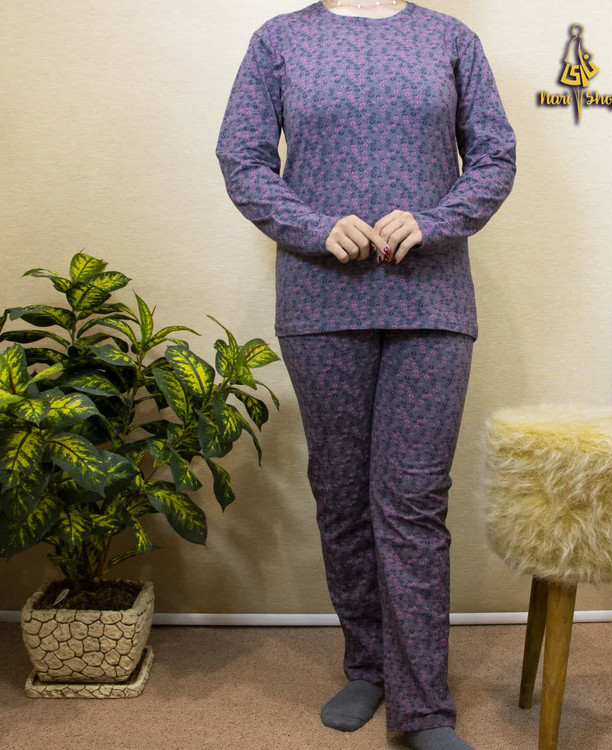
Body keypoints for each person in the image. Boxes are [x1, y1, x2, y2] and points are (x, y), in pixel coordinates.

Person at [214, 1, 517, 748]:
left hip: (432, 300)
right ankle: (368, 664)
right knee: (343, 493)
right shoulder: (280, 40)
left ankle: (425, 709)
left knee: (411, 501)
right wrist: (316, 227)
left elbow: (495, 157)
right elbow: (242, 159)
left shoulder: (451, 39)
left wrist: (435, 220)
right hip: (321, 302)